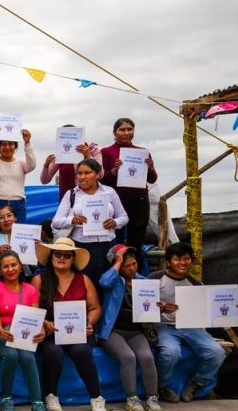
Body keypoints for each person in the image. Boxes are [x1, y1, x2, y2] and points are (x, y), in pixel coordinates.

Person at [32, 238, 107, 411]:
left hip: (78, 332)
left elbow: (95, 308)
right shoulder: (39, 280)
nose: (62, 258)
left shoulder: (84, 279)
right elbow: (33, 309)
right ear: (51, 257)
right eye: (57, 254)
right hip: (50, 331)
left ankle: (96, 397)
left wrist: (89, 323)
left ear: (73, 259)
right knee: (53, 351)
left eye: (67, 255)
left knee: (82, 351)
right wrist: (45, 323)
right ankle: (51, 396)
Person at [150, 242, 225, 403]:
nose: (183, 263)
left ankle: (197, 383)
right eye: (177, 259)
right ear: (168, 261)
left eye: (186, 259)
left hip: (191, 326)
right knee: (171, 352)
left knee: (217, 352)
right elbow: (141, 306)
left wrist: (229, 307)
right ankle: (162, 386)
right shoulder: (154, 279)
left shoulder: (196, 284)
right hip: (164, 326)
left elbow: (207, 309)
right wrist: (161, 309)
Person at [97, 245, 163, 411]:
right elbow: (104, 282)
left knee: (147, 357)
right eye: (127, 265)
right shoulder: (114, 281)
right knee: (128, 357)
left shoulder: (143, 282)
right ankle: (132, 398)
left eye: (134, 264)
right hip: (112, 331)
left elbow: (150, 308)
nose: (132, 268)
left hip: (135, 332)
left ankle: (152, 397)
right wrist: (118, 262)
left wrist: (159, 307)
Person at [0, 251, 48, 411]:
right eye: (5, 266)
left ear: (21, 267)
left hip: (21, 335)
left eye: (14, 265)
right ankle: (5, 399)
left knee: (28, 356)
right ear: (0, 270)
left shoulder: (30, 289)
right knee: (10, 354)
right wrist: (0, 331)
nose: (10, 269)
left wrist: (41, 330)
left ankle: (37, 403)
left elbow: (35, 316)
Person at [51, 158, 129, 288]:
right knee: (85, 286)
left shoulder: (109, 192)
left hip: (108, 246)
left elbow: (124, 217)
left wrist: (114, 222)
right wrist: (72, 220)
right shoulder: (71, 194)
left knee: (107, 285)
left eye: (87, 173)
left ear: (97, 174)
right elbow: (56, 221)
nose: (82, 177)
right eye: (79, 173)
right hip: (82, 248)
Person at [100, 118, 158, 272]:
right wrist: (114, 171)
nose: (126, 133)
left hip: (139, 200)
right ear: (114, 132)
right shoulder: (106, 152)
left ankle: (136, 276)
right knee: (116, 239)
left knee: (136, 240)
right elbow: (101, 179)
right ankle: (115, 274)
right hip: (116, 201)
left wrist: (150, 168)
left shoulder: (142, 152)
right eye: (122, 130)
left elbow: (152, 179)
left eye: (129, 129)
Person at [0, 124, 36, 234]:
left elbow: (32, 165)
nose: (7, 147)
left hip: (18, 205)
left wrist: (27, 143)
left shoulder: (21, 163)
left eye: (11, 144)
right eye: (3, 144)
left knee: (17, 237)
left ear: (15, 147)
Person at [40, 125, 101, 199]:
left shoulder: (92, 149)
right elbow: (45, 180)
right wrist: (46, 165)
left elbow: (100, 174)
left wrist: (88, 156)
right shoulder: (60, 154)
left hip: (91, 198)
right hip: (68, 199)